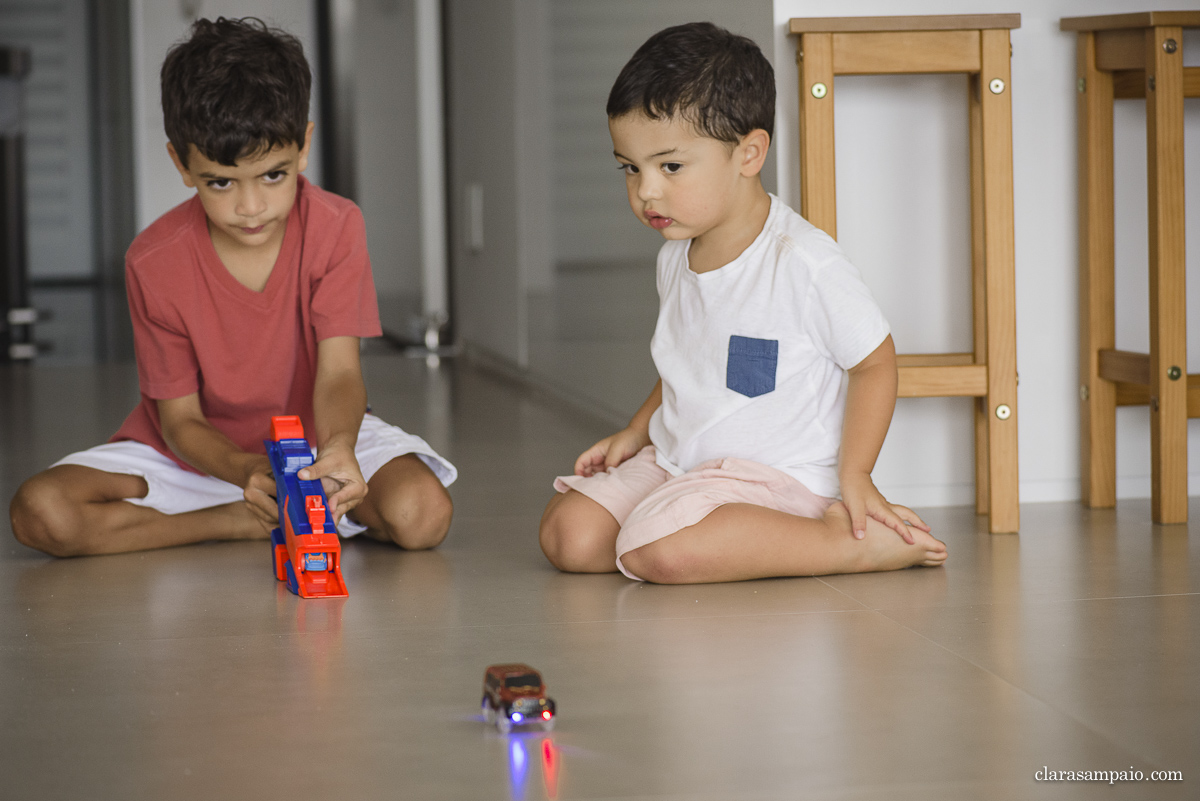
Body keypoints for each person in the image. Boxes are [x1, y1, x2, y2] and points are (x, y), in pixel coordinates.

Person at [9, 17, 455, 557]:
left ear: (304, 146)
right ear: (181, 162)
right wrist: (247, 472)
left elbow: (339, 372)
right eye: (220, 182)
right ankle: (240, 521)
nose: (250, 208)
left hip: (318, 439)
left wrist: (338, 447)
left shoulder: (337, 226)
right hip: (202, 457)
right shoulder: (153, 262)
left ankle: (300, 503)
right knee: (41, 511)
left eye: (273, 175)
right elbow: (181, 422)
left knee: (423, 515)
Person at [538, 22, 947, 584]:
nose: (646, 191)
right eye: (630, 168)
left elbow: (875, 363)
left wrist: (857, 477)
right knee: (571, 537)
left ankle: (845, 544)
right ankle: (681, 513)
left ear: (749, 153)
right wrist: (637, 430)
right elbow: (685, 360)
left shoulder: (803, 263)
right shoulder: (675, 254)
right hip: (681, 459)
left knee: (658, 552)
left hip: (770, 478)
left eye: (670, 166)